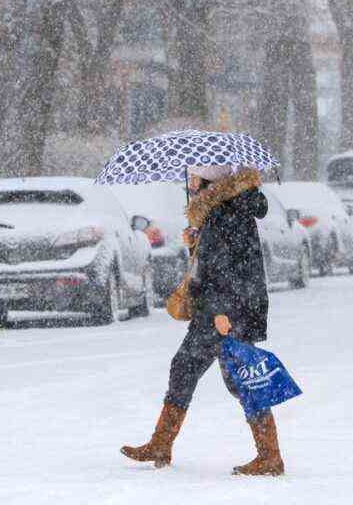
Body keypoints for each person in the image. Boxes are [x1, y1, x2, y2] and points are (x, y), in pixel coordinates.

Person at [121, 165, 285, 476]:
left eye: (195, 176)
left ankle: (269, 456)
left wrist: (223, 312)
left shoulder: (226, 210)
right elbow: (223, 258)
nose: (191, 182)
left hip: (223, 311)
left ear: (209, 179)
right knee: (205, 371)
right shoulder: (226, 208)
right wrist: (196, 242)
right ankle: (162, 443)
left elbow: (226, 268)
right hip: (225, 307)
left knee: (229, 376)